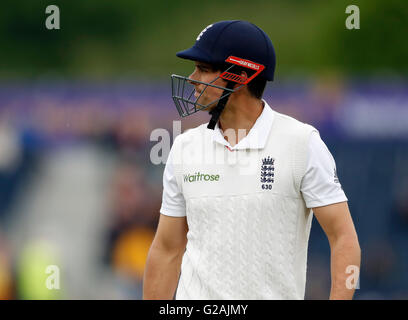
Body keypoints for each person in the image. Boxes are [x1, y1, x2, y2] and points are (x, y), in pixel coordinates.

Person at [143, 20, 361, 300]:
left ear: (242, 75)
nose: (193, 79)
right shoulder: (185, 147)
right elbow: (166, 249)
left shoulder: (301, 142)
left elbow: (343, 238)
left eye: (204, 69)